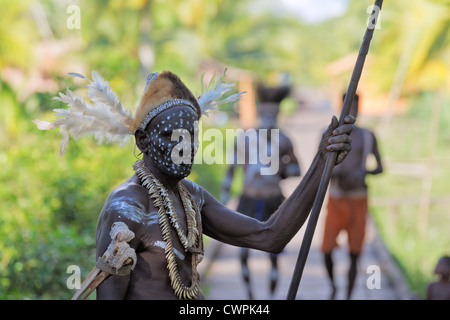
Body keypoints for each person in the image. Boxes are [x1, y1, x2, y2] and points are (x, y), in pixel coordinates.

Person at [34, 70, 354, 300]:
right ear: (142, 140)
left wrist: (321, 160)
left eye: (191, 138)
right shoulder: (126, 209)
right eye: (173, 138)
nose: (184, 148)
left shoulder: (191, 197)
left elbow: (269, 236)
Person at [221, 82, 301, 299]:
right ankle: (250, 296)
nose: (268, 118)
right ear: (260, 112)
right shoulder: (245, 138)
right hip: (248, 198)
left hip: (272, 199)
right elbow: (232, 168)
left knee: (274, 249)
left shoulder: (284, 139)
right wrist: (223, 198)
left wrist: (281, 167)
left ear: (278, 114)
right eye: (265, 113)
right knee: (243, 251)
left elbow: (297, 169)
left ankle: (271, 297)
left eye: (272, 114)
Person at [320, 93, 383, 300]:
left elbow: (380, 168)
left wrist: (363, 172)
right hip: (337, 198)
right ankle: (333, 287)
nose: (353, 110)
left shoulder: (367, 136)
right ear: (343, 106)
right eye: (350, 106)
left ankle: (347, 295)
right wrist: (334, 172)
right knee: (327, 248)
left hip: (358, 199)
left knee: (355, 252)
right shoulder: (330, 134)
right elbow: (317, 167)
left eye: (356, 106)